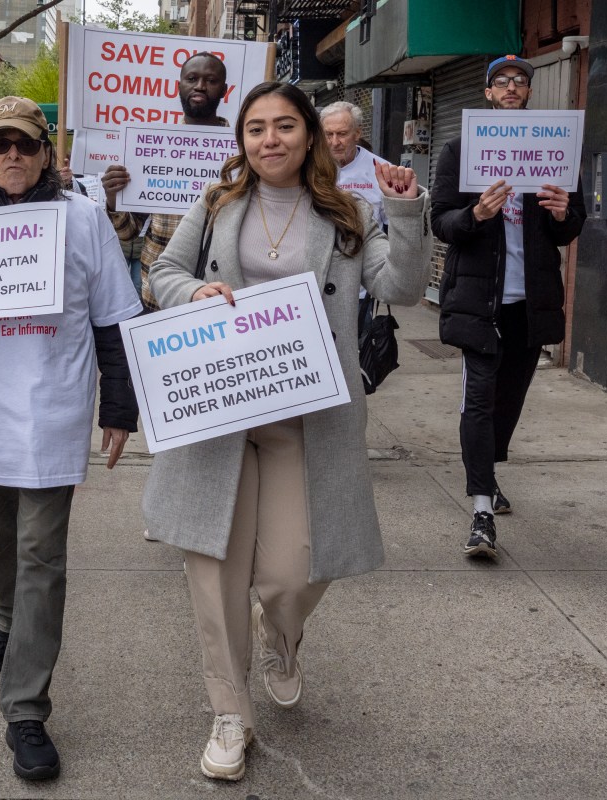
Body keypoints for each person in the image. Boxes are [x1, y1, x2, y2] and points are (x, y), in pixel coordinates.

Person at [144, 81, 430, 782]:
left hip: (308, 418)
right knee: (213, 571)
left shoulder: (350, 212)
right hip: (219, 414)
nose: (269, 140)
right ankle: (230, 714)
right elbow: (163, 273)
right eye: (255, 129)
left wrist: (406, 210)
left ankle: (282, 633)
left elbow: (401, 290)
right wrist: (194, 293)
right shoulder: (215, 206)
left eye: (283, 127)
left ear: (309, 135)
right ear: (241, 141)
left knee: (295, 569)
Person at [0, 96, 141, 782]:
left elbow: (113, 319)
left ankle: (26, 708)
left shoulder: (83, 218)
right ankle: (6, 619)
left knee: (42, 553)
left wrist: (118, 409)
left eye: (26, 144)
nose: (13, 155)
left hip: (52, 410)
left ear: (45, 153)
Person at [431, 54, 586, 559]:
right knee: (478, 399)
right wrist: (475, 213)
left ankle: (488, 471)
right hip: (481, 300)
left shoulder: (554, 152)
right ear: (489, 93)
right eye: (503, 82)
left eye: (521, 81)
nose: (512, 87)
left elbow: (570, 223)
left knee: (508, 400)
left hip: (531, 300)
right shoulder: (461, 150)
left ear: (529, 93)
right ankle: (480, 510)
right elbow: (441, 222)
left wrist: (566, 214)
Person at [101, 52, 229, 310]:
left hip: (222, 294)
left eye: (210, 80)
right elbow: (128, 232)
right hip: (160, 297)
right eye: (192, 78)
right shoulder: (151, 148)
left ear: (224, 90)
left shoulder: (241, 150)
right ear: (179, 85)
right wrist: (114, 198)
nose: (200, 86)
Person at [320, 101, 390, 336]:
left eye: (342, 134)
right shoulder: (307, 168)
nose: (334, 142)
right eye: (328, 134)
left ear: (357, 133)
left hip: (358, 291)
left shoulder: (381, 171)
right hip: (314, 286)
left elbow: (393, 230)